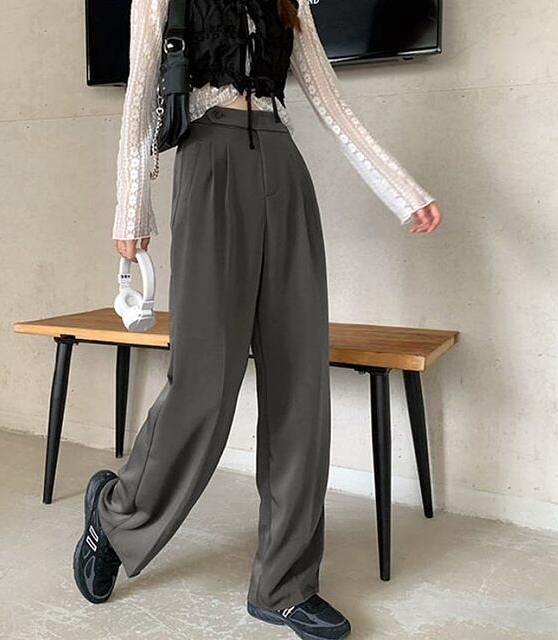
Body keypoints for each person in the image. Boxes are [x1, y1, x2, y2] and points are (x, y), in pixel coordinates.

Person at [73, 0, 442, 638]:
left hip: (283, 167)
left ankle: (284, 585)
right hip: (208, 161)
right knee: (203, 382)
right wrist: (131, 209)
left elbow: (330, 102)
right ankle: (115, 516)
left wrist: (402, 191)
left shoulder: (288, 1)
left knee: (301, 384)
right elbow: (140, 98)